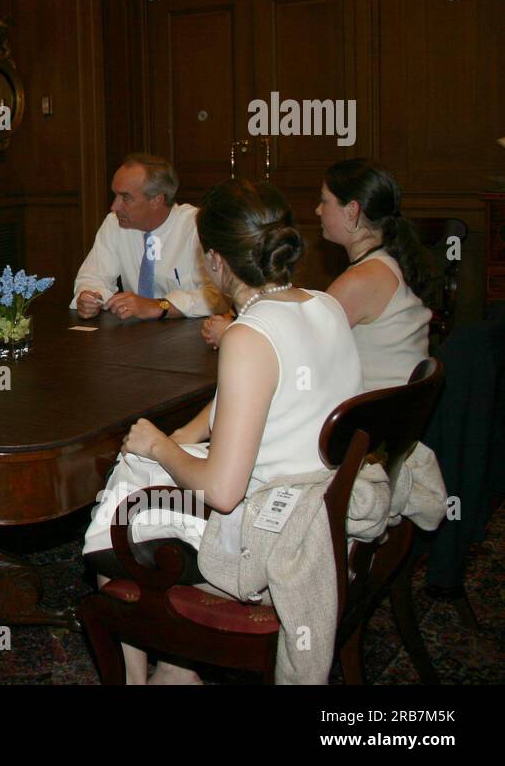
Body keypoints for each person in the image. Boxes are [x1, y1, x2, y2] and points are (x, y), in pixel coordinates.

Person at [82, 179, 363, 684]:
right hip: (323, 506)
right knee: (136, 474)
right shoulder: (323, 306)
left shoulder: (247, 335)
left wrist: (161, 445)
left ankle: (153, 662)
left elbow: (223, 491)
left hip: (263, 531)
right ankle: (175, 663)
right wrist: (184, 436)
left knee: (112, 522)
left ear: (215, 260)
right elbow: (256, 397)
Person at [202, 160, 432, 391]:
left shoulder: (363, 279)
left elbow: (297, 355)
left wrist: (229, 335)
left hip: (373, 413)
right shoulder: (382, 263)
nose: (318, 210)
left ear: (352, 211)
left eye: (324, 201)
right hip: (391, 405)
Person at [73, 153, 226, 321]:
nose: (114, 206)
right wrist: (89, 296)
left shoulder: (198, 225)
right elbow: (93, 277)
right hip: (135, 333)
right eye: (115, 195)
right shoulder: (114, 223)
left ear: (156, 200)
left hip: (195, 333)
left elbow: (219, 295)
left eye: (125, 197)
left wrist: (159, 306)